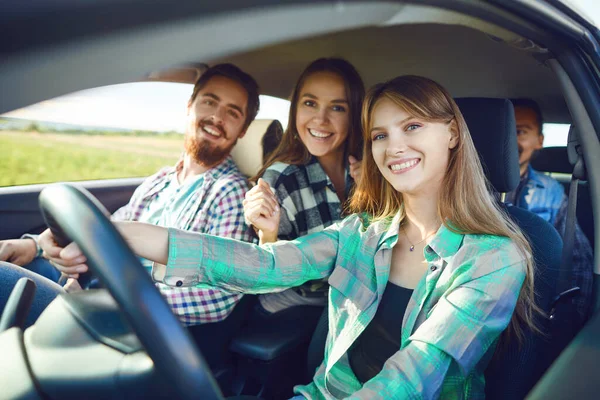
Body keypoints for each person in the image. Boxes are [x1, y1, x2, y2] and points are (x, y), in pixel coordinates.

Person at [47, 75, 540, 399]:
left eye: (412, 126)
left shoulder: (497, 258)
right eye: (380, 135)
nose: (394, 147)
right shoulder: (360, 233)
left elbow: (414, 377)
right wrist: (123, 234)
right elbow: (262, 266)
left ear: (452, 133)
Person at [0, 63, 259, 326]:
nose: (217, 117)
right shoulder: (160, 181)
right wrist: (33, 246)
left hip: (130, 325)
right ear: (190, 105)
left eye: (233, 113)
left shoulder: (232, 192)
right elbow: (107, 231)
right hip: (94, 285)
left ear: (243, 130)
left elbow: (217, 297)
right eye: (209, 102)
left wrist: (105, 303)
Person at [243, 58, 365, 313]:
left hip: (355, 298)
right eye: (310, 103)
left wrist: (372, 196)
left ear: (354, 115)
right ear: (295, 108)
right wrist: (268, 236)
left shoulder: (369, 170)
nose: (320, 119)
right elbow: (267, 277)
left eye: (338, 108)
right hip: (299, 306)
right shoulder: (279, 179)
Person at [508, 98, 593, 324]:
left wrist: (570, 321)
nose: (510, 139)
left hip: (530, 310)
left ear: (539, 140)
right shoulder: (467, 185)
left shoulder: (551, 192)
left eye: (520, 131)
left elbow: (578, 261)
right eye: (506, 130)